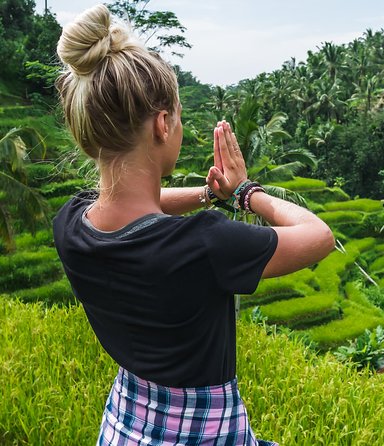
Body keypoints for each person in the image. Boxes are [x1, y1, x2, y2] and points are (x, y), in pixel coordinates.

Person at [52, 4, 334, 445]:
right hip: (203, 432)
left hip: (126, 423)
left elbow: (135, 205)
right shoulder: (204, 243)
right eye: (179, 117)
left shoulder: (71, 222)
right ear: (163, 124)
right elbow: (319, 236)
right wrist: (245, 192)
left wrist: (208, 195)